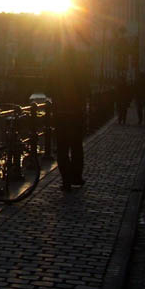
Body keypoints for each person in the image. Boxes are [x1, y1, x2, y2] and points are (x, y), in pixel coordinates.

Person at [50, 48, 86, 190]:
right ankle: (76, 177)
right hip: (76, 115)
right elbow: (85, 89)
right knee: (76, 147)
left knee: (62, 149)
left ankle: (66, 180)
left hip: (60, 115)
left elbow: (48, 89)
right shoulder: (79, 71)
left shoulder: (56, 70)